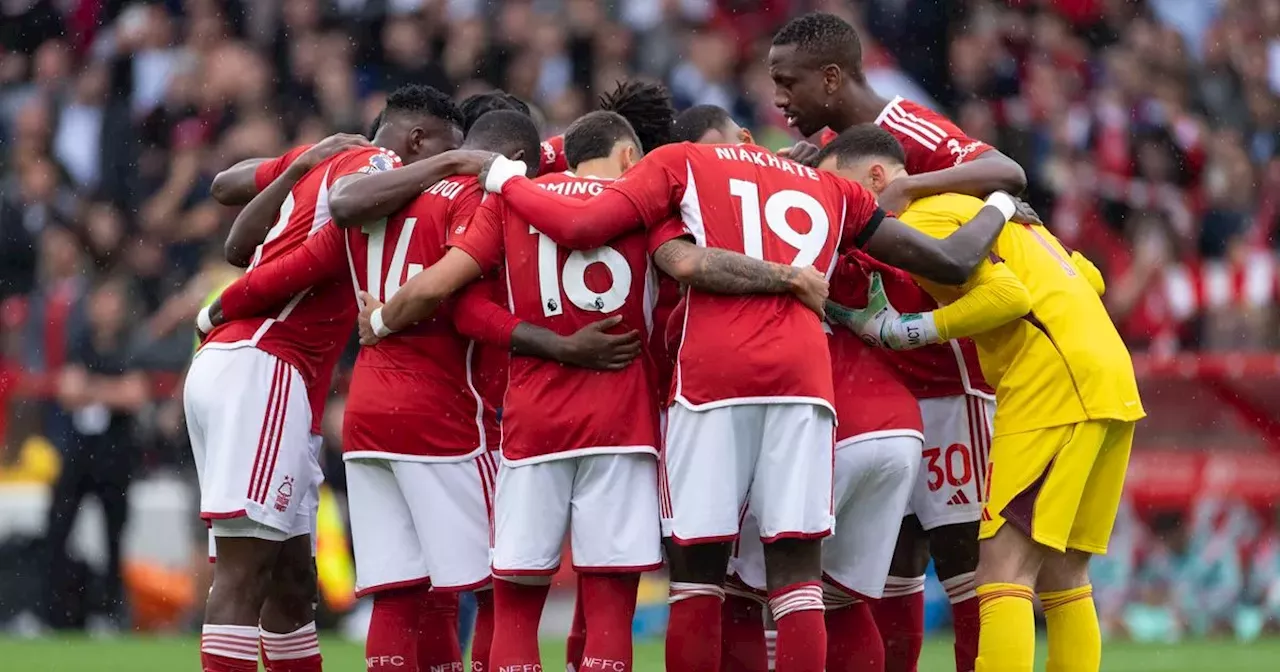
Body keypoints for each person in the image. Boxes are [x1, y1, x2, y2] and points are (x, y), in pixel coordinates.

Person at [467, 104, 1021, 672]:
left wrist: (506, 177)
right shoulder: (830, 185)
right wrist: (1000, 205)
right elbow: (951, 262)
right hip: (807, 383)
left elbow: (606, 235)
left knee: (701, 574)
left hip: (713, 380)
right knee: (802, 577)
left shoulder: (680, 163)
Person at [356, 109, 831, 672]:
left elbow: (461, 304)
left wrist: (384, 319)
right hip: (622, 425)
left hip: (533, 423)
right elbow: (685, 293)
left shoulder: (516, 199)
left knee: (515, 604)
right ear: (632, 156)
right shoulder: (650, 211)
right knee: (608, 605)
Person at [204, 109, 642, 672]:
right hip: (442, 415)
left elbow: (296, 260)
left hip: (366, 418)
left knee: (397, 591)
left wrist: (219, 307)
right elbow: (462, 305)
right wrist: (387, 319)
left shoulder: (380, 198)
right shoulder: (478, 197)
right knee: (495, 586)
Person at [817, 125, 1144, 672]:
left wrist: (908, 329)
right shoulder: (975, 208)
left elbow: (1008, 295)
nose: (837, 204)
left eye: (839, 187)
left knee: (1003, 570)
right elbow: (1088, 278)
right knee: (1064, 574)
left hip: (1051, 385)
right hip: (1108, 376)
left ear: (877, 177)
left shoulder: (919, 219)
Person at [768, 14, 1031, 670]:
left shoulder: (906, 125)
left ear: (831, 78)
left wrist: (912, 186)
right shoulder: (826, 150)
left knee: (964, 561)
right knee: (893, 565)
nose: (778, 100)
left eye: (786, 83)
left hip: (952, 378)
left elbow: (1007, 169)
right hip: (889, 386)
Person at [184, 84, 463, 672]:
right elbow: (337, 219)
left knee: (291, 580)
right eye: (440, 148)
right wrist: (222, 306)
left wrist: (297, 164)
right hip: (264, 365)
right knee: (246, 572)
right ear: (416, 140)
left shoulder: (325, 154)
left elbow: (229, 199)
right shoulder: (379, 167)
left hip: (247, 370)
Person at [670, 105, 922, 672]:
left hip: (818, 418)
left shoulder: (718, 221)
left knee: (738, 587)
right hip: (900, 428)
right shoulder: (839, 222)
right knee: (838, 598)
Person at [43, 276, 149, 633]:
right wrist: (109, 390)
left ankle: (111, 614)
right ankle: (56, 615)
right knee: (57, 531)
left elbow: (134, 396)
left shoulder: (130, 347)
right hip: (78, 455)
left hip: (116, 457)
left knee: (113, 538)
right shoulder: (80, 343)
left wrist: (92, 387)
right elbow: (67, 392)